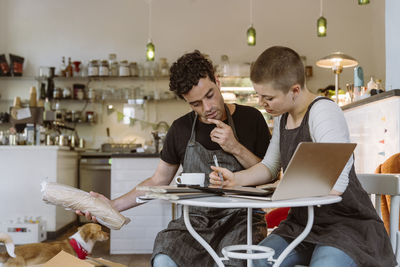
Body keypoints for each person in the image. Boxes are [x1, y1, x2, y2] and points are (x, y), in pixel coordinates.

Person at [78, 50, 271, 267]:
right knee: (164, 256)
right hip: (195, 221)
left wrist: (235, 147)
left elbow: (267, 176)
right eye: (196, 103)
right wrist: (112, 206)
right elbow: (157, 181)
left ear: (217, 82)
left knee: (233, 261)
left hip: (242, 219)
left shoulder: (251, 119)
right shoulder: (180, 129)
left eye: (210, 95)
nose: (207, 108)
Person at [209, 46, 396, 267]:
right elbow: (270, 166)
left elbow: (337, 182)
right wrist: (235, 179)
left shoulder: (323, 112)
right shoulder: (282, 117)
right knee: (258, 259)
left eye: (268, 97)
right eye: (258, 95)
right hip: (302, 223)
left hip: (345, 224)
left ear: (295, 90)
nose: (261, 103)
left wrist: (287, 190)